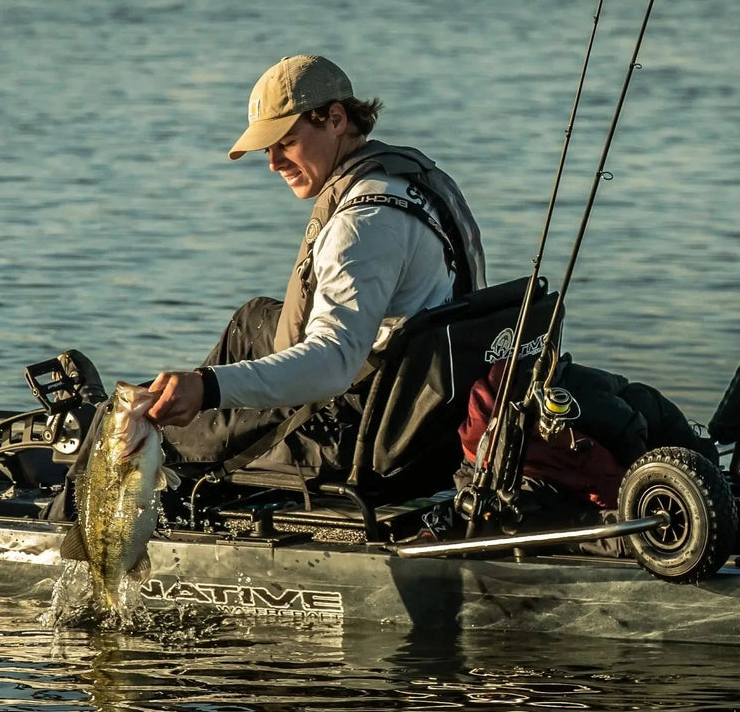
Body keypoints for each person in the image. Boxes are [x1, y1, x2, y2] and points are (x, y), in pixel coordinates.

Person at [140, 55, 488, 491]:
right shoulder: (407, 179)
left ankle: (70, 530)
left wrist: (207, 390)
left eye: (285, 141)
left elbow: (332, 363)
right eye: (266, 147)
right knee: (253, 320)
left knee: (129, 430)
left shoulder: (362, 225)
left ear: (336, 119)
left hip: (355, 434)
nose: (272, 162)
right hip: (422, 395)